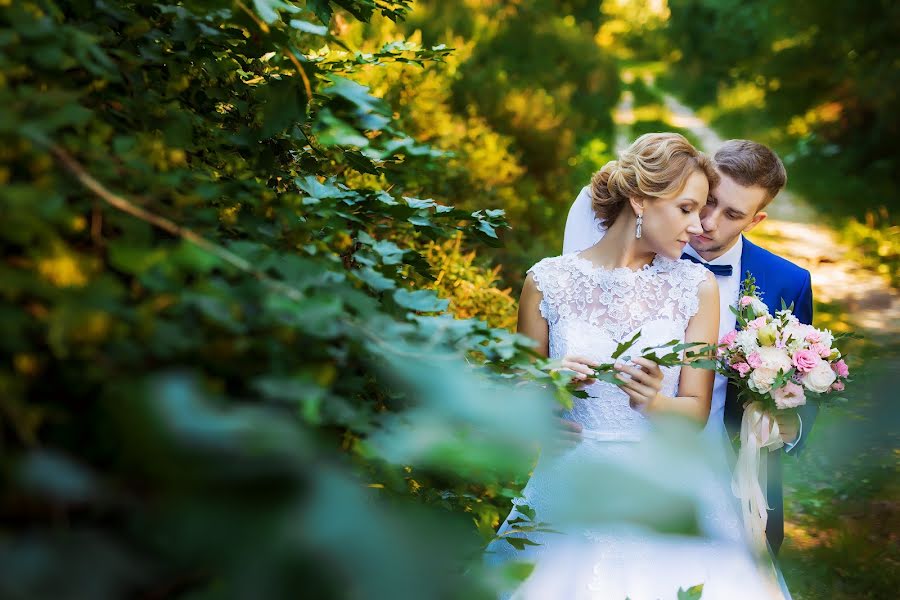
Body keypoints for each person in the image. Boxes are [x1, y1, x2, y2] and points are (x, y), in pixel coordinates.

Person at [486, 133, 790, 599]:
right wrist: (549, 391)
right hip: (568, 483)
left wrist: (654, 402)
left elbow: (694, 412)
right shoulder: (545, 282)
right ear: (641, 199)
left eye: (706, 210)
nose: (698, 225)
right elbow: (518, 398)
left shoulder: (697, 287)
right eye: (687, 208)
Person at [562, 139, 817, 554]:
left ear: (755, 220)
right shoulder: (630, 248)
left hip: (726, 472)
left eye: (732, 214)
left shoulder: (787, 282)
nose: (708, 222)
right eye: (706, 202)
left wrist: (792, 425)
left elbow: (801, 380)